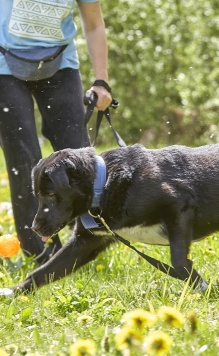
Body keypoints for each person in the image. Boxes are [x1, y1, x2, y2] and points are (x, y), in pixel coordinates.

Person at [0, 0, 112, 263]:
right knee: (23, 156)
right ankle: (40, 253)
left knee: (78, 155)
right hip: (4, 64)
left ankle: (85, 241)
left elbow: (94, 24)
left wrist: (101, 81)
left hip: (60, 63)